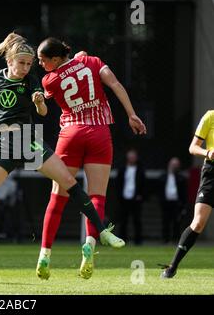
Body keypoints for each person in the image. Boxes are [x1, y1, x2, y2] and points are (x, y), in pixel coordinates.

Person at [0, 32, 124, 278]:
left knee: (69, 183)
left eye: (29, 63)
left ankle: (101, 231)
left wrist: (39, 103)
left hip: (28, 141)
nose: (27, 67)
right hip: (2, 145)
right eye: (22, 63)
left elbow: (45, 112)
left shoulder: (32, 80)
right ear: (10, 62)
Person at [35, 38, 147, 280]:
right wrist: (131, 114)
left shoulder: (49, 79)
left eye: (43, 59)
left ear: (55, 59)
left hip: (70, 134)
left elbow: (55, 87)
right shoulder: (92, 62)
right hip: (98, 132)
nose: (40, 63)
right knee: (97, 195)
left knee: (58, 196)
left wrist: (72, 62)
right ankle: (89, 247)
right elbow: (115, 84)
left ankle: (45, 254)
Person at [161, 110, 214, 279]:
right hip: (211, 173)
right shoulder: (210, 117)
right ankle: (172, 266)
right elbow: (193, 147)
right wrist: (207, 152)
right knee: (198, 223)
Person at [116, 148, 146, 245]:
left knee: (137, 220)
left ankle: (138, 241)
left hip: (135, 199)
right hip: (124, 198)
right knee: (123, 220)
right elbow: (118, 184)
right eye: (130, 157)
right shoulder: (122, 169)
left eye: (133, 157)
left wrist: (140, 195)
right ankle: (122, 240)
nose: (132, 159)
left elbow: (143, 184)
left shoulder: (140, 170)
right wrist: (119, 195)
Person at [158, 157, 188, 243]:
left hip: (177, 203)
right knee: (165, 221)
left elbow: (184, 192)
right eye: (173, 164)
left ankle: (176, 239)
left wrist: (183, 204)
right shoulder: (163, 177)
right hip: (166, 203)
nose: (174, 166)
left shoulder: (181, 178)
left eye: (176, 165)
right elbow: (159, 190)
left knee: (177, 222)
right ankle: (165, 239)